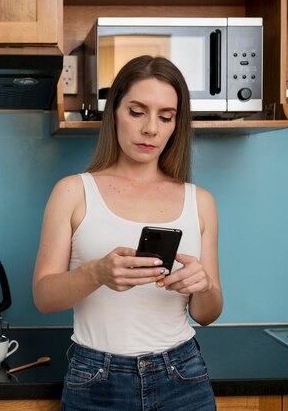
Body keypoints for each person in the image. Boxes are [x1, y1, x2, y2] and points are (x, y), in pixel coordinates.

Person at [33, 55, 222, 411]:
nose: (151, 128)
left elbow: (208, 313)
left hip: (182, 375)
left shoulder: (201, 202)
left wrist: (205, 285)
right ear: (114, 111)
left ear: (175, 125)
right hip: (95, 378)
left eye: (165, 117)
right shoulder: (72, 191)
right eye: (137, 112)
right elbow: (44, 297)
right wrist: (97, 273)